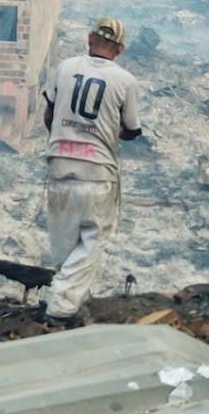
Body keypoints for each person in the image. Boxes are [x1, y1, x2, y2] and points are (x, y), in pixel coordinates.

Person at [41, 17, 143, 326]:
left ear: (89, 38)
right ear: (120, 49)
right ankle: (60, 307)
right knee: (92, 240)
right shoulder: (125, 81)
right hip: (97, 171)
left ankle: (72, 298)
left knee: (64, 241)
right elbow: (132, 130)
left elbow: (49, 114)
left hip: (59, 164)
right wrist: (107, 131)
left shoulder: (65, 67)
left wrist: (65, 136)